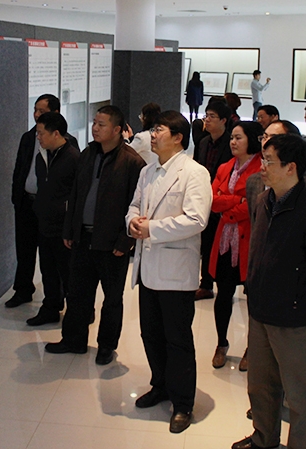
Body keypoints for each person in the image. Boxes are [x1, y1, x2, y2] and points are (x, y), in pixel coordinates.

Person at [232, 134, 306, 449]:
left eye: (269, 161)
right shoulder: (264, 201)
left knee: (299, 392)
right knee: (260, 385)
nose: (262, 167)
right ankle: (264, 438)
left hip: (294, 316)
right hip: (261, 310)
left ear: (291, 167)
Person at [126, 110, 212, 434]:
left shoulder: (194, 173)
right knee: (150, 333)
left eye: (158, 129)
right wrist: (132, 222)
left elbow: (196, 219)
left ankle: (183, 403)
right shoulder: (147, 170)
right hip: (148, 267)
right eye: (152, 129)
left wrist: (152, 229)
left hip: (175, 272)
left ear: (178, 137)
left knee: (177, 339)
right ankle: (160, 385)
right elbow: (134, 206)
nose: (152, 134)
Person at [45, 105, 145, 365]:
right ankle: (73, 340)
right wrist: (70, 229)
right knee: (77, 294)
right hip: (83, 238)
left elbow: (137, 206)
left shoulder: (133, 162)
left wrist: (126, 240)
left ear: (117, 129)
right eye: (94, 123)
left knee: (111, 299)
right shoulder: (88, 154)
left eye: (101, 124)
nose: (95, 128)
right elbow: (76, 194)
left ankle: (106, 346)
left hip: (112, 244)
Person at [8, 94, 79, 308]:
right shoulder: (28, 138)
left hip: (52, 209)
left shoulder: (68, 145)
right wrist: (16, 196)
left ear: (55, 114)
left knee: (53, 256)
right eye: (35, 110)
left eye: (42, 111)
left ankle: (59, 299)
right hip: (26, 202)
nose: (36, 114)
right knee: (25, 249)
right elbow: (19, 168)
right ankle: (23, 289)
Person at [209, 121, 263, 371]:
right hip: (224, 240)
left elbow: (254, 205)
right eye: (232, 137)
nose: (233, 142)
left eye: (238, 138)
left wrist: (229, 204)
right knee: (223, 294)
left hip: (249, 240)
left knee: (253, 299)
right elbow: (212, 201)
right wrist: (236, 201)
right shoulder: (225, 167)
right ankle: (221, 343)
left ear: (251, 139)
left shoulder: (261, 168)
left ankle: (253, 347)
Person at [26, 112, 80, 326]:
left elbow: (77, 196)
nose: (38, 137)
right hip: (45, 223)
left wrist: (71, 227)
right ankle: (50, 308)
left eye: (41, 133)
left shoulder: (73, 158)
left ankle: (79, 312)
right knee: (47, 270)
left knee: (68, 273)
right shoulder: (42, 156)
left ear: (56, 133)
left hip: (64, 227)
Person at [194, 101, 233, 300]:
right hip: (203, 197)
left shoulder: (231, 143)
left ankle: (224, 283)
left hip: (223, 200)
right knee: (206, 242)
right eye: (206, 116)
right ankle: (206, 284)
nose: (207, 120)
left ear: (224, 120)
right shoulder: (203, 142)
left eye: (212, 116)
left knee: (222, 244)